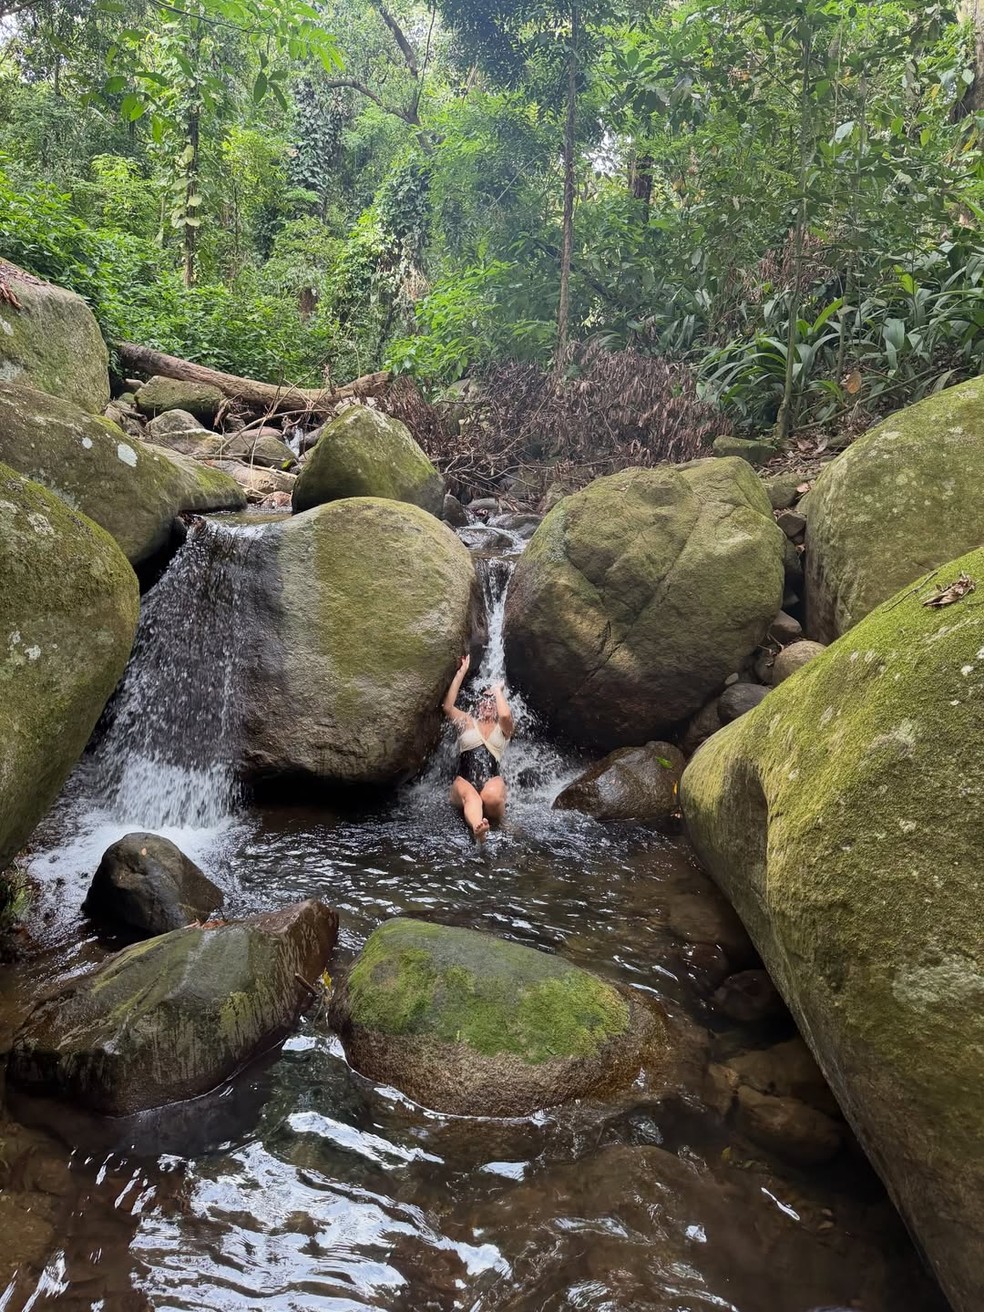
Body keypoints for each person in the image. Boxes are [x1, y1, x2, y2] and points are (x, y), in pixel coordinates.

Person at [442, 653, 513, 842]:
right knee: (472, 797)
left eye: (492, 701)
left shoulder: (504, 729)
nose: (488, 704)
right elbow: (448, 707)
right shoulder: (467, 722)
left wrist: (497, 690)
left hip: (492, 781)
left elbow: (505, 716)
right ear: (477, 704)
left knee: (491, 796)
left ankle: (498, 821)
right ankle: (478, 829)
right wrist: (461, 673)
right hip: (464, 782)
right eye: (484, 699)